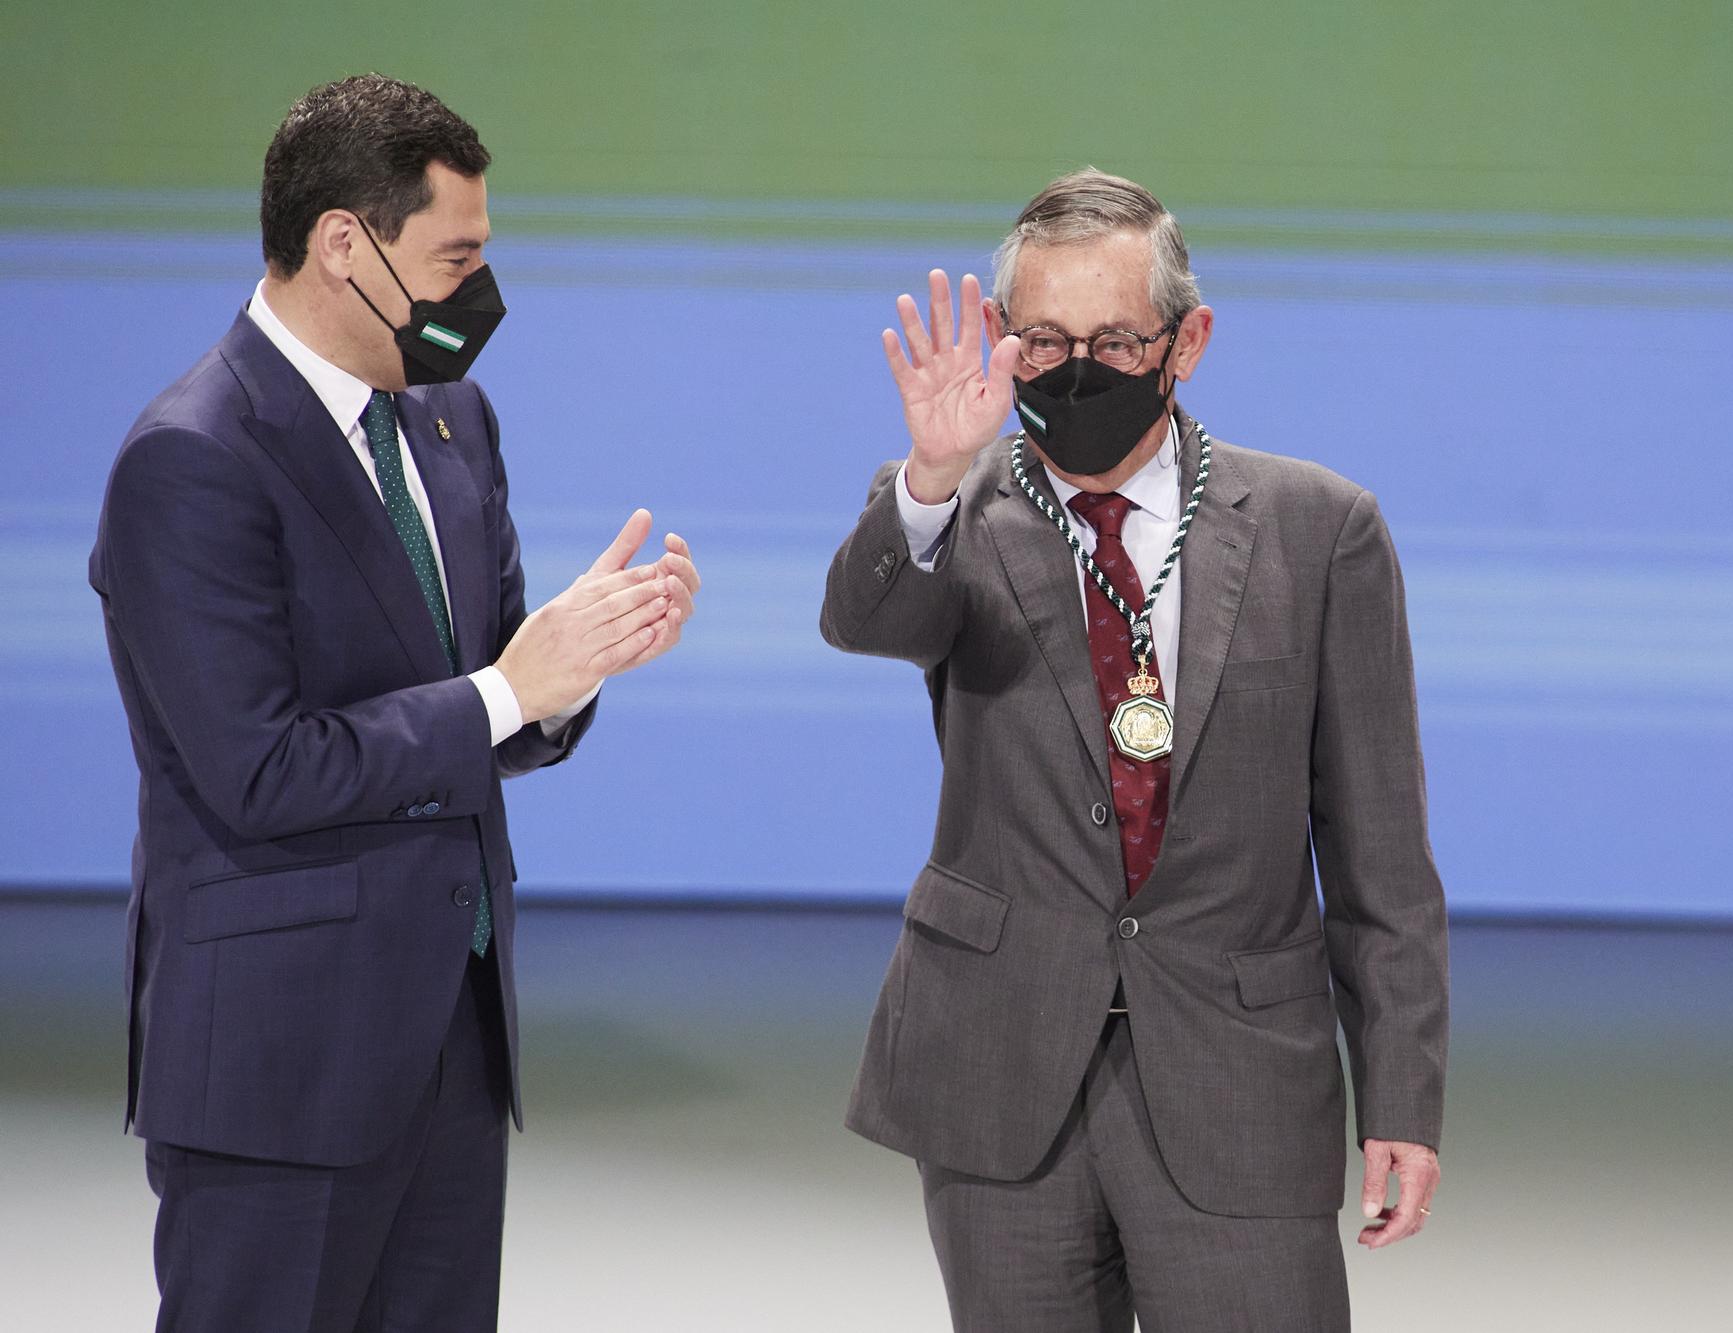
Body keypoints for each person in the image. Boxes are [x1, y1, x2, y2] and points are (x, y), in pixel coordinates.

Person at [87, 74, 699, 1332]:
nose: (481, 292)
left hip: (451, 1045)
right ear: (342, 245)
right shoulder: (192, 457)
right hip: (281, 1064)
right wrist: (503, 688)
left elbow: (493, 694)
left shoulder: (451, 422)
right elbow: (259, 769)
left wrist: (573, 667)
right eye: (456, 255)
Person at [821, 168, 1447, 1331]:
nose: (1074, 370)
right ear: (1002, 342)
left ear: (1188, 341)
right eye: (1043, 339)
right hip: (999, 1071)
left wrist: (1400, 1097)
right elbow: (865, 623)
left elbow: (1380, 851)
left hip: (1237, 1074)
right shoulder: (950, 508)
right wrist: (931, 476)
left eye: (1113, 342)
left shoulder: (1320, 530)